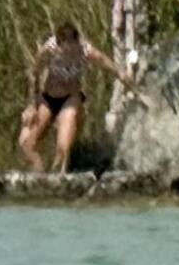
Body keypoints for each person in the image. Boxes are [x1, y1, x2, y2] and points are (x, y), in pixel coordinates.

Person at [18, 21, 135, 173]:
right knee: (26, 142)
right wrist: (32, 104)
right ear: (59, 44)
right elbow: (34, 73)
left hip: (70, 98)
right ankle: (39, 172)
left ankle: (59, 175)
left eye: (71, 46)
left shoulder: (85, 51)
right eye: (64, 48)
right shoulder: (50, 49)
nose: (68, 52)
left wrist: (124, 76)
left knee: (62, 149)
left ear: (76, 42)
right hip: (48, 98)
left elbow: (108, 65)